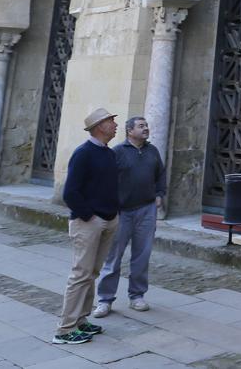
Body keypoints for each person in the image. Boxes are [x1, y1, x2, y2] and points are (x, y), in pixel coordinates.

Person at [53, 108, 121, 345]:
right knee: (81, 274)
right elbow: (70, 192)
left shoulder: (108, 154)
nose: (115, 124)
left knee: (92, 272)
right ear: (99, 126)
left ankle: (81, 320)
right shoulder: (83, 153)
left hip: (108, 219)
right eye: (111, 121)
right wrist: (89, 216)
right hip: (88, 222)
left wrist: (114, 214)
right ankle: (64, 329)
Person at [92, 116, 165, 317]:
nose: (146, 129)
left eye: (147, 126)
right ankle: (105, 300)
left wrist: (159, 194)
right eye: (141, 126)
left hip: (146, 210)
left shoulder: (152, 151)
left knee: (142, 255)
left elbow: (161, 175)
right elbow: (105, 180)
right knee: (113, 257)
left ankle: (137, 296)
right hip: (121, 212)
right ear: (129, 131)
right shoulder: (117, 152)